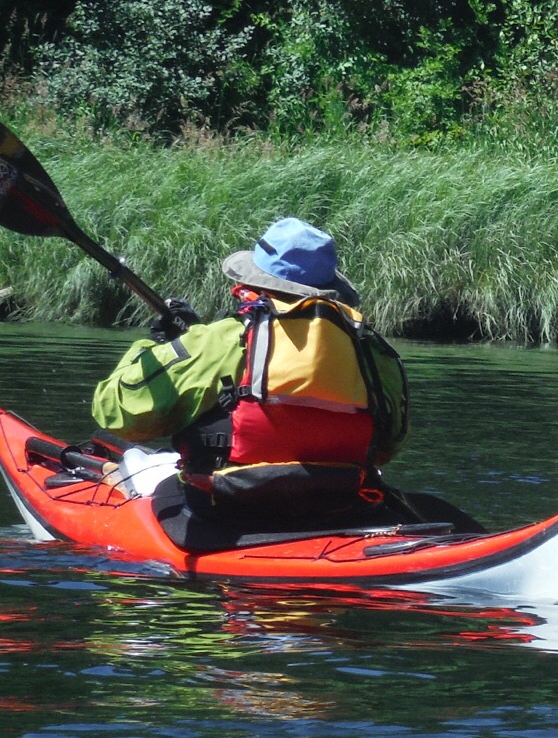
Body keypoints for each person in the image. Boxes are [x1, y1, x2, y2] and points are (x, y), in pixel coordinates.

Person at [91, 217, 409, 519]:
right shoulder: (372, 351)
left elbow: (118, 413)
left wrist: (157, 348)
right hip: (339, 502)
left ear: (254, 281)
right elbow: (386, 446)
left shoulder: (220, 340)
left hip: (228, 507)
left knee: (139, 466)